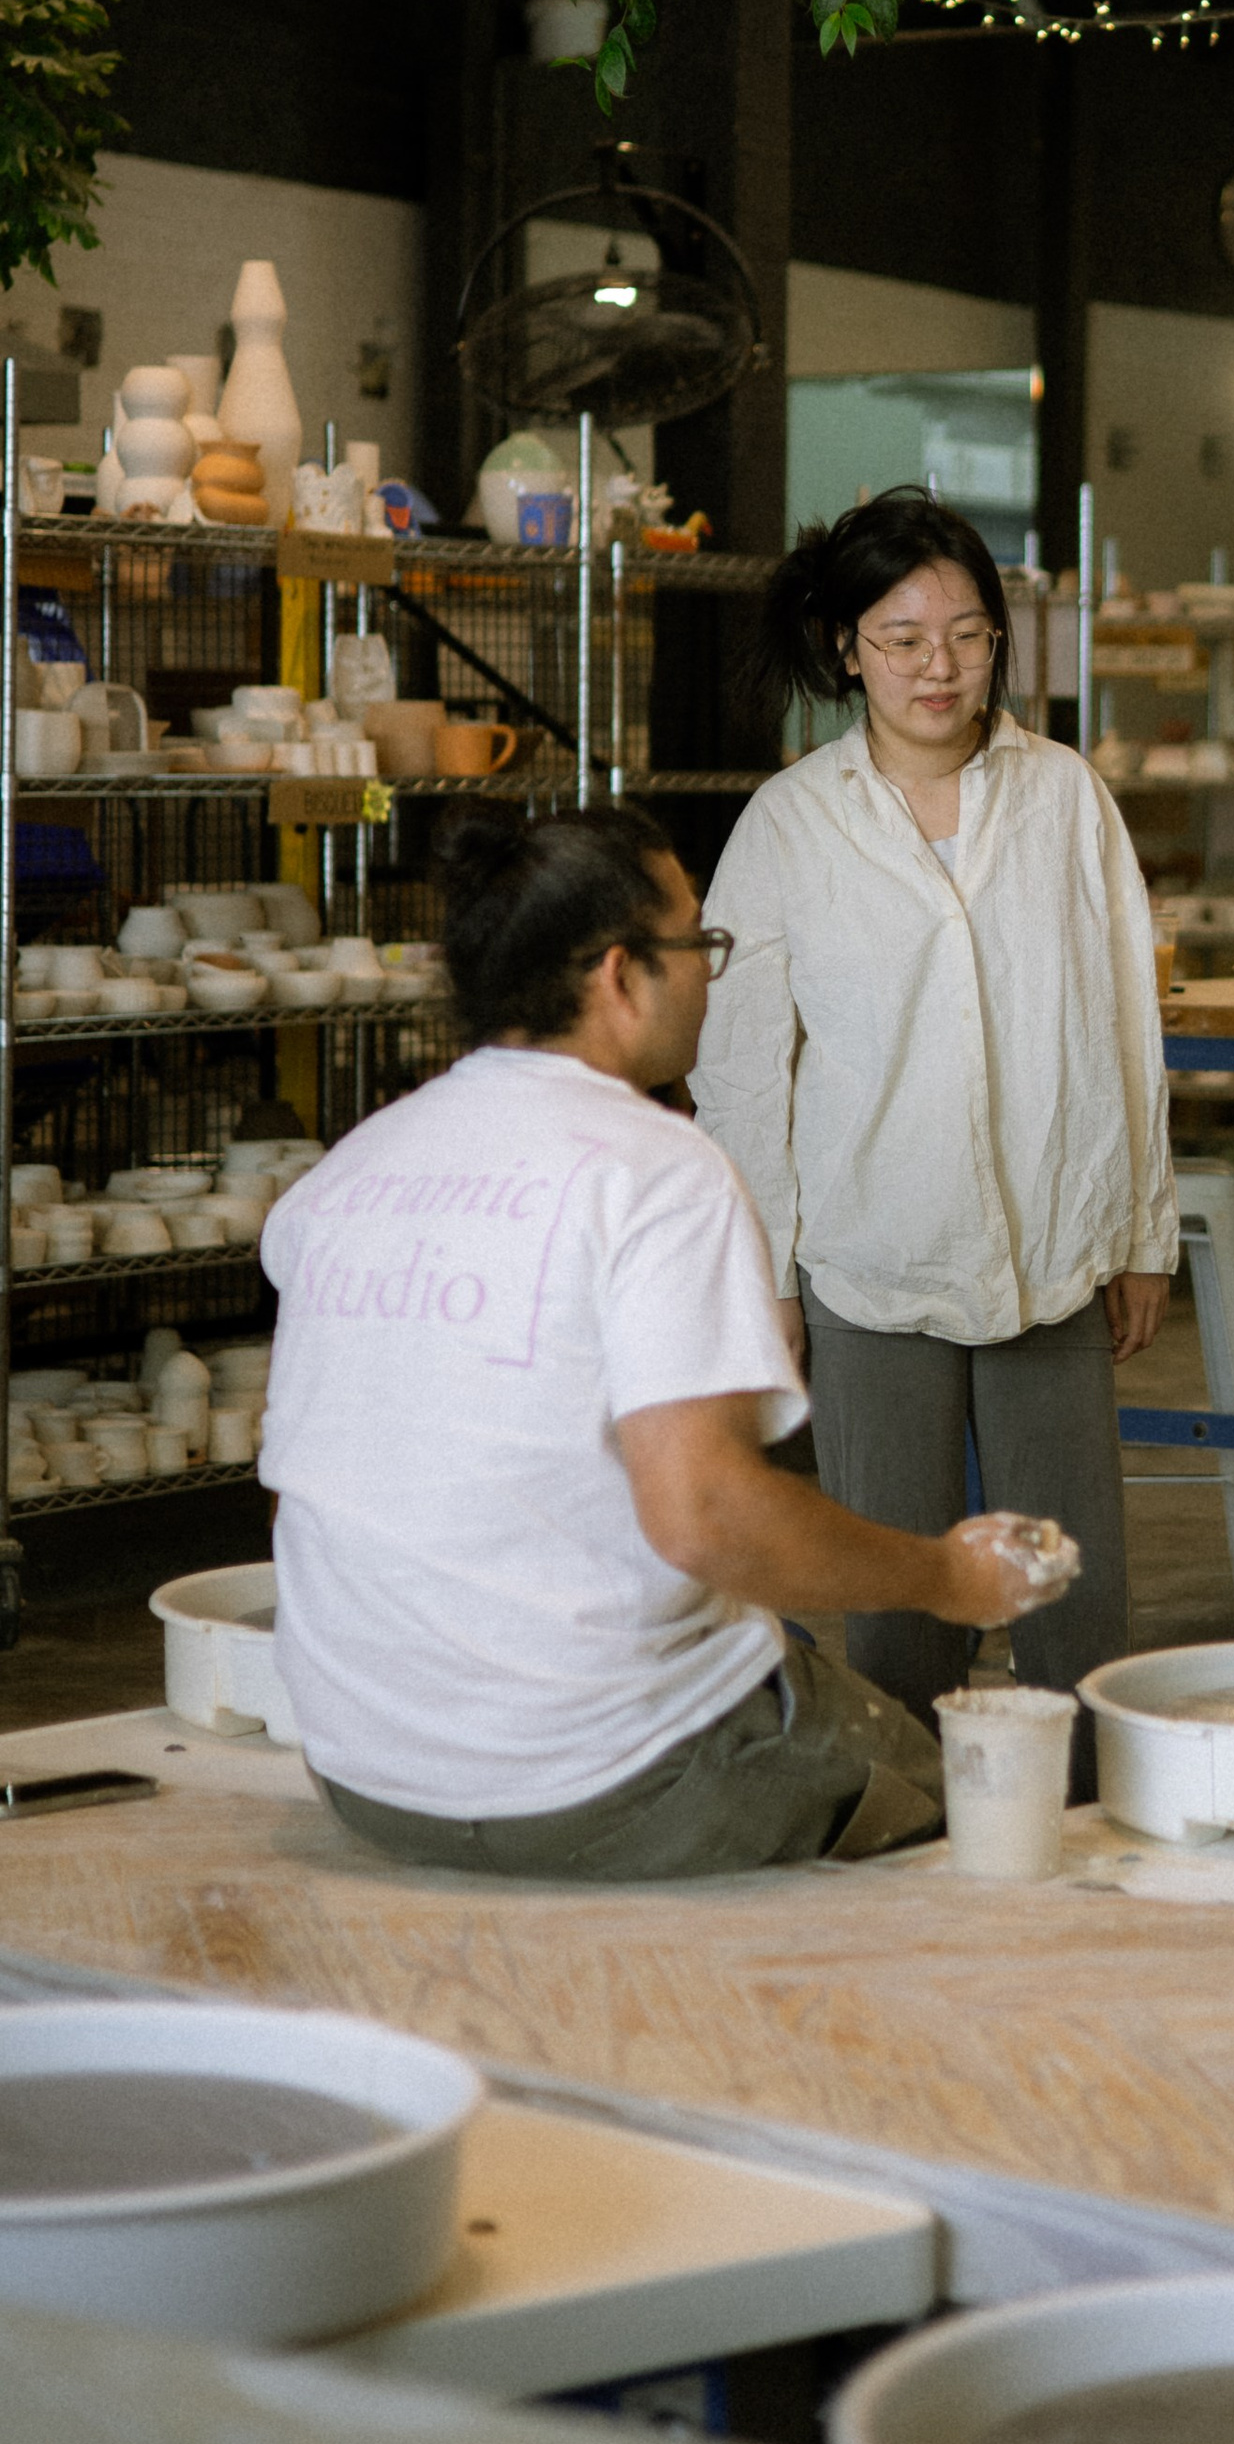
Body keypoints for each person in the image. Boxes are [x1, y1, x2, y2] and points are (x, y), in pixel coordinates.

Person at [262, 801, 1077, 1881]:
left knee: (758, 1639)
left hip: (363, 1765)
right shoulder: (656, 1169)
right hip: (596, 1779)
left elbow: (304, 1492)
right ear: (619, 974)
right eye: (698, 941)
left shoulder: (351, 1170)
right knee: (940, 1799)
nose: (710, 971)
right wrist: (944, 1576)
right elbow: (707, 1517)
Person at [690, 490, 1175, 1762]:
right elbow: (742, 1070)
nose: (938, 667)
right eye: (902, 638)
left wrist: (1142, 1229)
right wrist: (771, 1272)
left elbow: (1130, 1018)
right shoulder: (791, 823)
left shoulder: (1065, 797)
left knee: (1074, 1597)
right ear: (847, 645)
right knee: (899, 1600)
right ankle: (914, 1844)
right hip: (871, 1261)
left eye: (965, 634)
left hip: (1053, 1241)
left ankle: (1081, 1842)